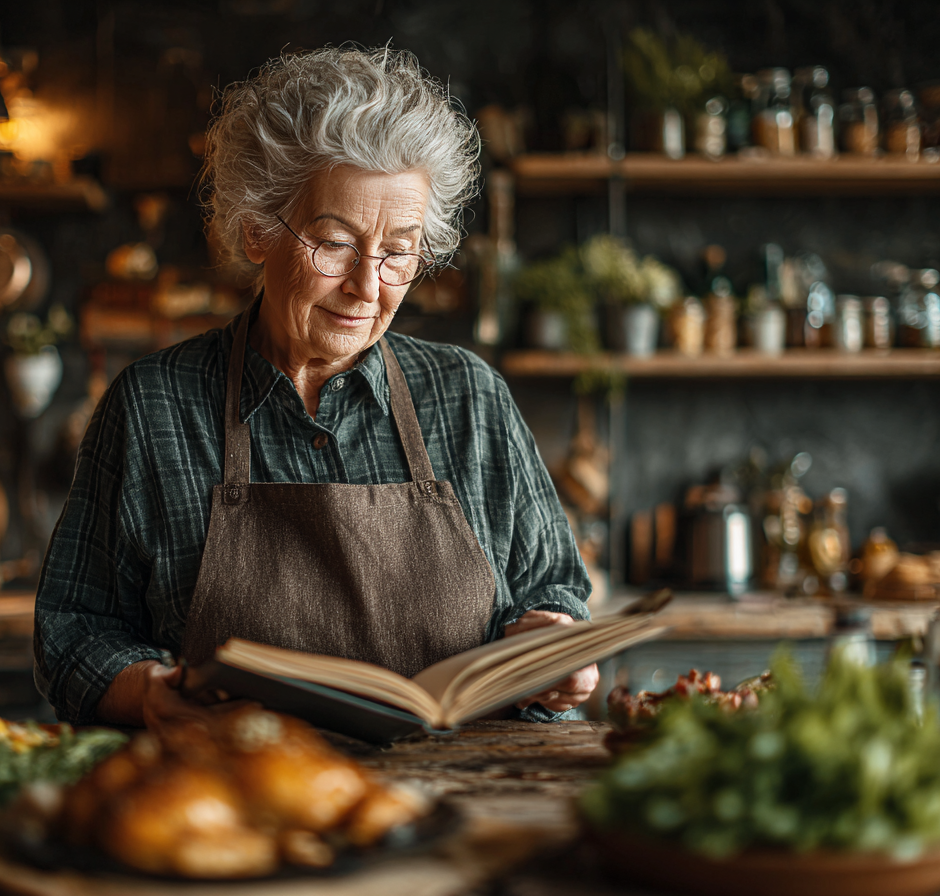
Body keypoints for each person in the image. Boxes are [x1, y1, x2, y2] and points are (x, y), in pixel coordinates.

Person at [34, 45, 596, 729]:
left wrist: (549, 642)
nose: (367, 286)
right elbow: (74, 632)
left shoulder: (469, 397)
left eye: (399, 250)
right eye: (335, 243)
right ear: (258, 231)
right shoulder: (154, 405)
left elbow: (551, 589)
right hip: (237, 803)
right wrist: (149, 690)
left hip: (468, 802)